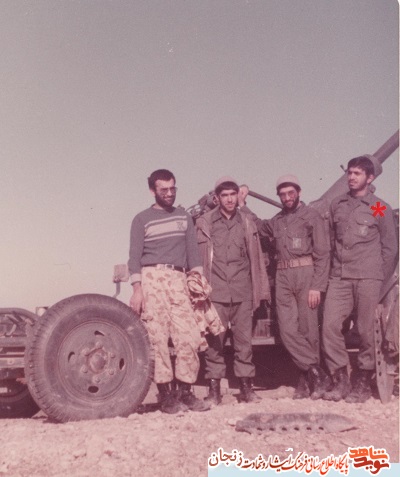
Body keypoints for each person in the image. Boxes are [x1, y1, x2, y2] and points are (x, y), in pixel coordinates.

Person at [240, 175, 330, 400]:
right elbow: (258, 226)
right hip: (282, 275)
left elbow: (322, 253)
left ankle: (306, 382)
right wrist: (242, 204)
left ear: (299, 192)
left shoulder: (312, 216)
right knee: (287, 330)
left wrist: (317, 286)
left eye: (291, 193)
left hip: (306, 273)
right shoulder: (278, 221)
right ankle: (317, 373)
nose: (287, 198)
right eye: (283, 194)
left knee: (309, 329)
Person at [128, 169, 209, 413]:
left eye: (173, 188)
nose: (170, 193)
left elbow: (193, 253)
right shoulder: (141, 219)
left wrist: (197, 283)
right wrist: (137, 290)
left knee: (189, 336)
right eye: (164, 190)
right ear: (152, 191)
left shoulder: (184, 217)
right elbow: (134, 257)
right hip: (152, 279)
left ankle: (186, 393)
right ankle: (166, 396)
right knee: (157, 338)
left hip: (179, 279)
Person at [322, 156, 397, 403]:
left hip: (368, 278)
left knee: (366, 331)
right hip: (340, 277)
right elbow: (332, 241)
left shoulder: (378, 207)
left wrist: (378, 280)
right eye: (350, 173)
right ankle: (341, 379)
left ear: (370, 178)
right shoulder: (337, 205)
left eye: (357, 173)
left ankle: (363, 381)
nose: (352, 177)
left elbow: (390, 248)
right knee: (330, 326)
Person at [196, 176, 271, 405]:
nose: (229, 199)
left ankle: (247, 389)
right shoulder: (206, 222)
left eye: (233, 195)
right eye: (225, 195)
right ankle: (214, 391)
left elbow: (255, 258)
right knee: (214, 343)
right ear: (217, 198)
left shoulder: (247, 222)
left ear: (239, 196)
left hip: (242, 291)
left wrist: (259, 291)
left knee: (243, 343)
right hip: (215, 292)